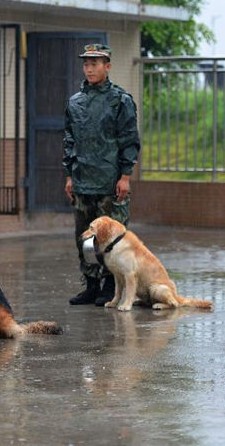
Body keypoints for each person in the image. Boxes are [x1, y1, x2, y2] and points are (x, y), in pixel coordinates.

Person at [63, 43, 140, 306]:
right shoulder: (75, 102)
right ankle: (91, 285)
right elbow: (70, 140)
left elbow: (129, 140)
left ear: (107, 66)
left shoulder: (121, 100)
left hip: (110, 182)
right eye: (86, 63)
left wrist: (125, 176)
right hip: (83, 180)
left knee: (112, 239)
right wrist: (70, 176)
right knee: (84, 238)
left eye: (95, 63)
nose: (89, 68)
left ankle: (110, 286)